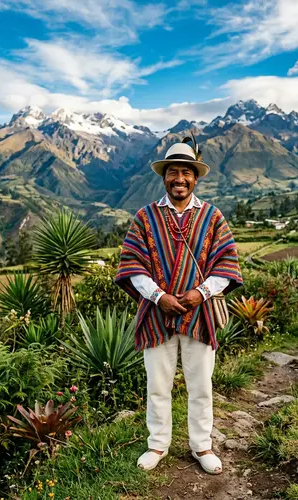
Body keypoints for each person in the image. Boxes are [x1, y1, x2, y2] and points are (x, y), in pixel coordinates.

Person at [115, 135, 242, 475]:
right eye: (173, 172)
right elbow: (133, 265)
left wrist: (199, 293)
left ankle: (201, 446)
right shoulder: (146, 217)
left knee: (201, 386)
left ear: (195, 178)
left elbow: (227, 266)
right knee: (158, 385)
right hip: (157, 316)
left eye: (186, 172)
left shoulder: (212, 218)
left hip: (199, 317)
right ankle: (158, 444)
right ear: (164, 176)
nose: (180, 179)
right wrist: (160, 297)